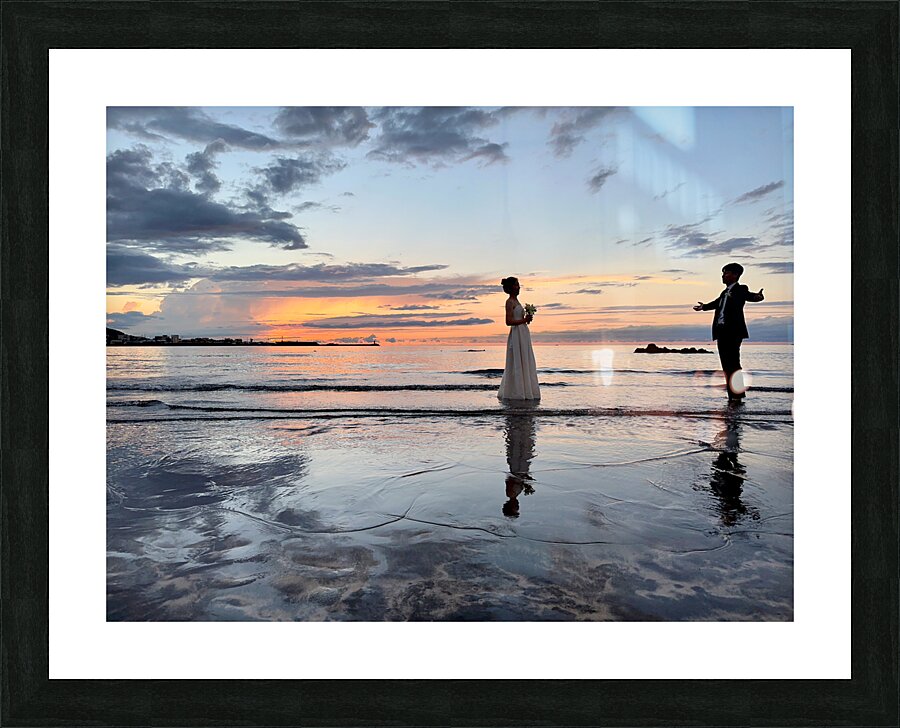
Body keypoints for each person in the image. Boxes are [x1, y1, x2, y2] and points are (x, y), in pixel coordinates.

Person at [693, 262, 764, 401]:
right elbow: (716, 303)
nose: (723, 276)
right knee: (726, 364)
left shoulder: (740, 289)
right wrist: (703, 307)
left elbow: (749, 295)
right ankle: (733, 395)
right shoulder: (724, 292)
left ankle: (736, 395)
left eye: (726, 273)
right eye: (723, 273)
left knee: (733, 363)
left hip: (733, 332)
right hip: (721, 332)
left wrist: (758, 297)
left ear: (735, 275)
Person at [497, 277, 540, 400]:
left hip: (523, 333)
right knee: (516, 360)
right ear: (511, 288)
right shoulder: (509, 302)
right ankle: (517, 391)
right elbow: (508, 321)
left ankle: (526, 389)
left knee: (525, 359)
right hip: (516, 334)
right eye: (516, 285)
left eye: (518, 285)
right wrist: (524, 320)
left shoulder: (517, 301)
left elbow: (518, 319)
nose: (519, 287)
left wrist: (527, 319)